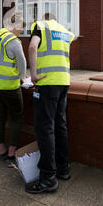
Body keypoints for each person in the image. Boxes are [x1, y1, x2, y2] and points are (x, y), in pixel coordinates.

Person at [26, 13, 75, 194]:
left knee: (45, 128)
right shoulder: (64, 31)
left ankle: (47, 178)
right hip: (63, 82)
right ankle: (64, 169)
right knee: (60, 125)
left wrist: (33, 75)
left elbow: (32, 47)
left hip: (47, 83)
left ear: (44, 18)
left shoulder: (41, 26)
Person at [0, 14, 26, 165]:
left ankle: (1, 151)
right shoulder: (14, 42)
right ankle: (11, 155)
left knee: (0, 115)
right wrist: (23, 77)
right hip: (9, 86)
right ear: (16, 26)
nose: (20, 32)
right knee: (17, 117)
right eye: (21, 29)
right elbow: (22, 64)